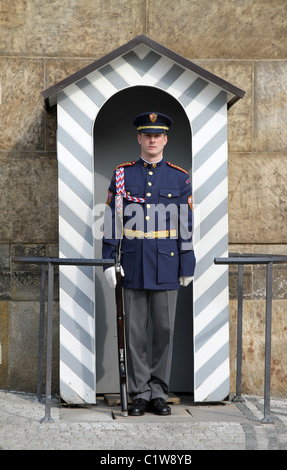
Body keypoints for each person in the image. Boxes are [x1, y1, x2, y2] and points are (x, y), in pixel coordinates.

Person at [102, 111, 196, 416]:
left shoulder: (179, 177)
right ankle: (140, 393)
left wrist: (187, 264)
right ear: (139, 138)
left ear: (165, 139)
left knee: (165, 331)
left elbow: (185, 224)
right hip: (132, 262)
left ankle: (159, 392)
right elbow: (111, 221)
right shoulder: (122, 175)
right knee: (135, 333)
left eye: (158, 135)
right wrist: (107, 260)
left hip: (168, 264)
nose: (152, 140)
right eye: (147, 135)